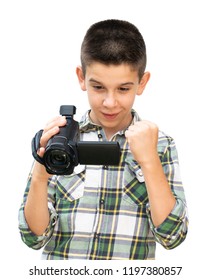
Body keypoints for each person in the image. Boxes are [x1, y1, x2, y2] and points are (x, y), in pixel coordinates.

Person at [18, 19, 188, 260]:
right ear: (81, 77)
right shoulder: (59, 139)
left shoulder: (160, 144)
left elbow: (173, 237)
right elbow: (33, 237)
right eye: (98, 87)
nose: (110, 102)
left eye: (123, 89)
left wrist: (150, 162)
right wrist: (40, 171)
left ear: (142, 83)